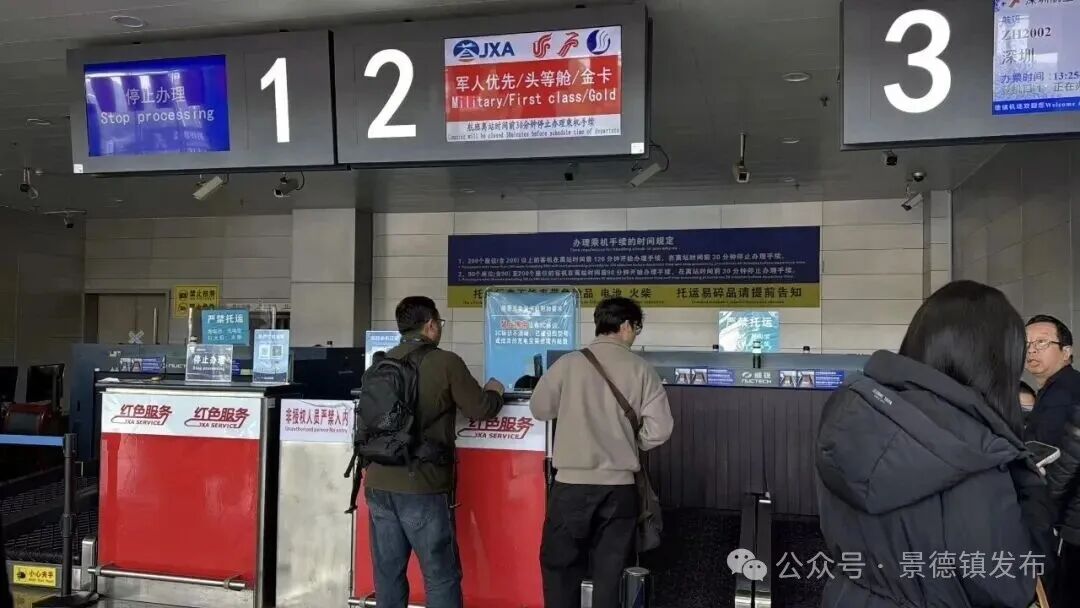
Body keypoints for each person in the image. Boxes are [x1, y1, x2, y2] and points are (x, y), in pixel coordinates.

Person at [816, 281, 1052, 608]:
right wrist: (1032, 497)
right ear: (997, 363)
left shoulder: (852, 411)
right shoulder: (976, 454)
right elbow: (1007, 586)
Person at [529, 297, 674, 608]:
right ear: (626, 326)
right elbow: (661, 428)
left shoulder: (568, 363)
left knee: (560, 567)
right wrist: (633, 443)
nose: (635, 334)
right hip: (619, 490)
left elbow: (540, 408)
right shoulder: (641, 369)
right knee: (610, 572)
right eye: (636, 328)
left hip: (570, 487)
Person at [363, 296, 505, 608]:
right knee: (440, 575)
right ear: (430, 325)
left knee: (387, 574)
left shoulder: (380, 363)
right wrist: (495, 390)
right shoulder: (445, 362)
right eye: (438, 322)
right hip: (422, 484)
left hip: (378, 482)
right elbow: (480, 408)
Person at [1023, 314, 1080, 446]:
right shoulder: (1056, 387)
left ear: (1066, 352)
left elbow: (1041, 450)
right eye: (1026, 343)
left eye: (1041, 342)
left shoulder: (1063, 392)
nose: (1031, 350)